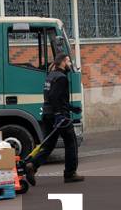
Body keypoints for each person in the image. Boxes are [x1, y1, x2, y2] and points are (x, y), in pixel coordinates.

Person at [24, 53, 83, 184]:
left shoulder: (50, 76)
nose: (70, 64)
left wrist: (72, 108)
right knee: (71, 142)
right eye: (68, 61)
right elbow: (55, 97)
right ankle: (70, 173)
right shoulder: (61, 78)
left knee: (49, 145)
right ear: (62, 62)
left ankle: (32, 166)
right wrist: (59, 114)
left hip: (47, 114)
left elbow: (53, 97)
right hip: (59, 116)